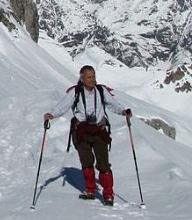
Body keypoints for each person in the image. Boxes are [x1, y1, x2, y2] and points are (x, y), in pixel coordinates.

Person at [44, 65, 131, 206]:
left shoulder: (101, 91)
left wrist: (123, 111)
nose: (92, 80)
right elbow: (63, 105)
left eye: (93, 76)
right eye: (89, 77)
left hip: (98, 131)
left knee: (103, 164)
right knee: (86, 161)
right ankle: (90, 190)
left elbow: (113, 104)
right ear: (82, 78)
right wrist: (52, 114)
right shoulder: (75, 92)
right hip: (82, 132)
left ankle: (108, 194)